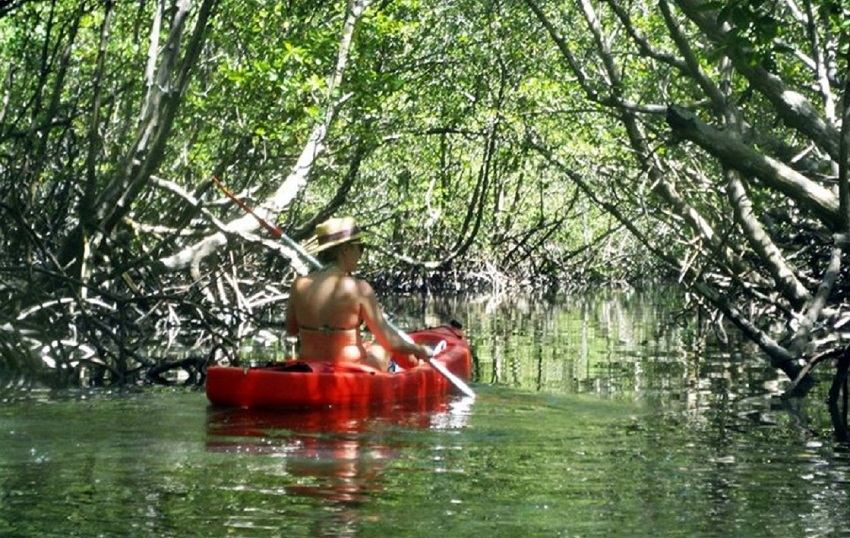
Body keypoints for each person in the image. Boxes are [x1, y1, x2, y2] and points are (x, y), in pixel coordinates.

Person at [285, 217, 431, 371]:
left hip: (311, 368)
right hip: (354, 371)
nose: (361, 254)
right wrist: (418, 349)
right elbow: (389, 341)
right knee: (382, 343)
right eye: (360, 247)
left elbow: (291, 330)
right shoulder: (360, 288)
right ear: (345, 250)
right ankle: (419, 368)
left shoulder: (299, 285)